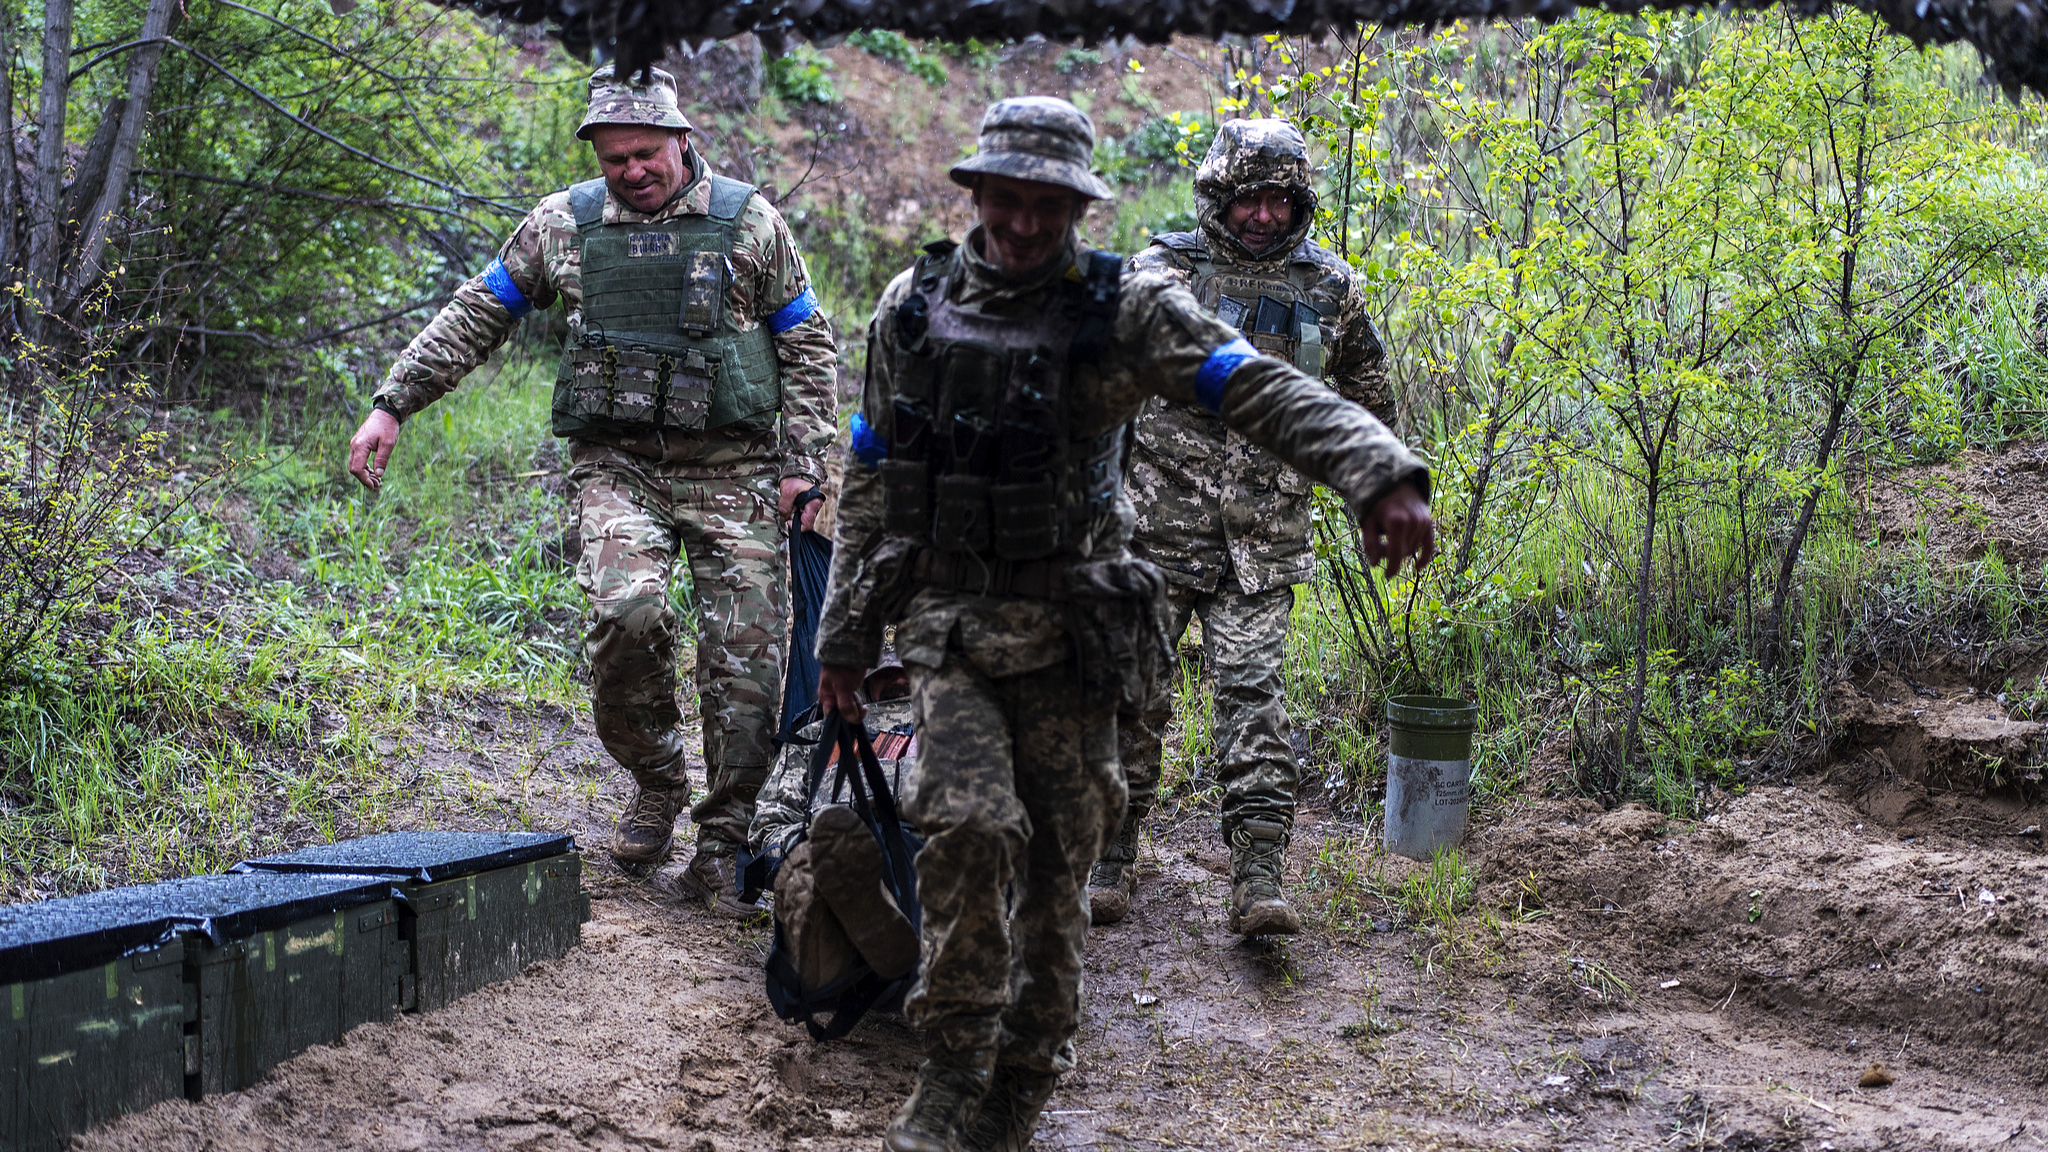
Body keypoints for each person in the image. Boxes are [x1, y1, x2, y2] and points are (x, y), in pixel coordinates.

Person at [812, 96, 1435, 1152]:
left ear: (1078, 207)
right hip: (952, 624)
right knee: (966, 825)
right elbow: (872, 472)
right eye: (1003, 201)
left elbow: (1259, 388)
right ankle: (950, 1070)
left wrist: (1375, 469)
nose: (1020, 225)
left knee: (1056, 876)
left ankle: (1020, 1083)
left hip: (1073, 637)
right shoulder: (910, 311)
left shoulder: (1128, 309)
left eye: (1045, 206)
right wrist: (841, 638)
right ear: (974, 195)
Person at [345, 65, 839, 913]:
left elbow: (808, 343)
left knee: (746, 660)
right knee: (627, 614)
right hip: (619, 467)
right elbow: (479, 311)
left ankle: (724, 842)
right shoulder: (563, 224)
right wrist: (394, 403)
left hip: (736, 469)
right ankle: (655, 780)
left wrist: (806, 462)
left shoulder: (749, 221)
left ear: (683, 141)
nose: (632, 170)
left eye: (646, 152)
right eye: (615, 158)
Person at [1089, 118, 1395, 935]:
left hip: (1263, 540)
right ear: (1217, 195)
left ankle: (1258, 874)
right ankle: (1110, 855)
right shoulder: (1163, 272)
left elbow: (1368, 399)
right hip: (1156, 535)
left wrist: (1380, 489)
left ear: (1300, 202)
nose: (1263, 216)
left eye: (1279, 200)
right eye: (1248, 199)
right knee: (1131, 700)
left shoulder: (1332, 289)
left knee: (1255, 706)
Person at [749, 652, 922, 1002]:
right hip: (827, 868)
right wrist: (813, 853)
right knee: (808, 874)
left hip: (923, 870)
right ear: (863, 679)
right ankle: (843, 936)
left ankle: (870, 930)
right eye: (888, 672)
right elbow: (769, 825)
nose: (900, 679)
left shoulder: (959, 733)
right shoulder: (816, 738)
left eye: (912, 668)